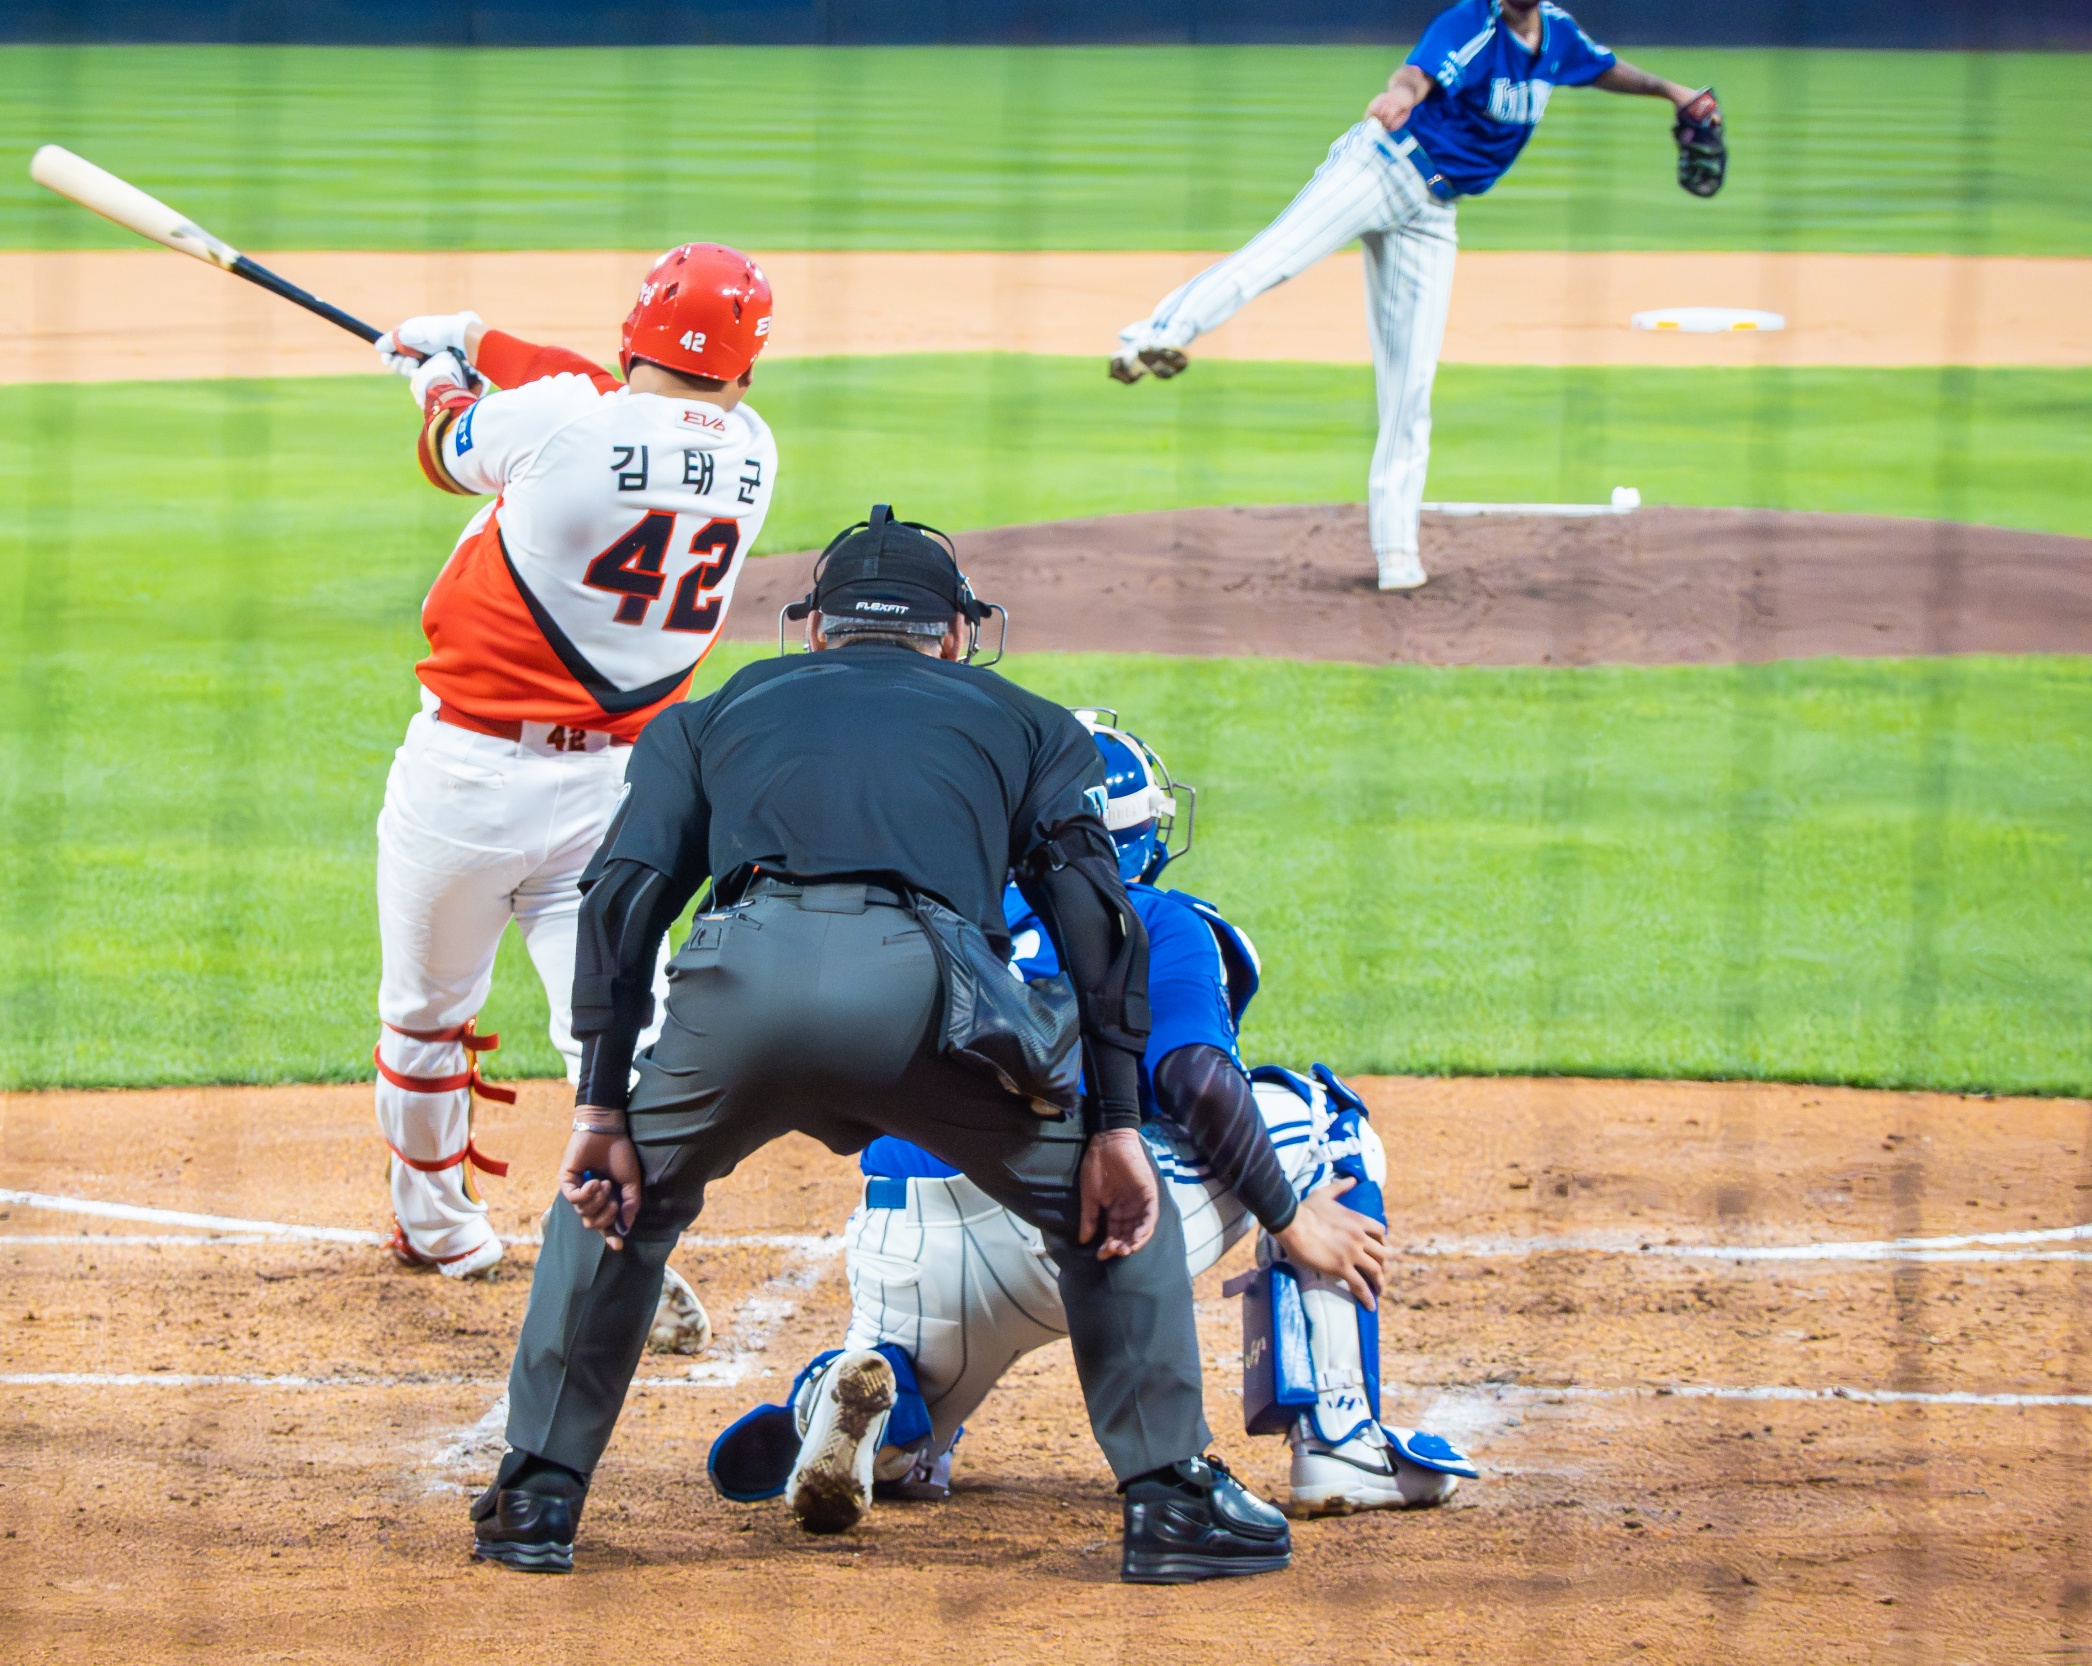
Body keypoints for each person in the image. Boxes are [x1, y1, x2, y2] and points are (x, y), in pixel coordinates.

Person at [473, 508, 1292, 1585]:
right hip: (928, 1006)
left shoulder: (706, 718)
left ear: (815, 628)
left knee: (615, 1206)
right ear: (954, 634)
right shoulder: (1032, 723)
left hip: (737, 993)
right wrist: (1114, 1130)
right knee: (1112, 1214)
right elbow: (1100, 924)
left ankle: (535, 1497)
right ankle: (1170, 1500)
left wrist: (598, 1108)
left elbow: (620, 900)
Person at [706, 716, 1479, 1526]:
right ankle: (1341, 1442)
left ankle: (856, 1406)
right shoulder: (1155, 917)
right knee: (1317, 1119)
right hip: (1064, 1230)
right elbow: (1198, 1082)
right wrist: (1290, 1218)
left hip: (899, 1241)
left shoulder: (932, 913)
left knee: (908, 1432)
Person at [366, 245, 778, 1282]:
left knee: (426, 1017)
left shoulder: (558, 420)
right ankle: (636, 1246)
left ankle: (441, 1231)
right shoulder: (753, 450)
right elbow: (609, 400)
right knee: (617, 1027)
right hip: (617, 796)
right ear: (747, 364)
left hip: (466, 778)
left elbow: (446, 446)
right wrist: (477, 335)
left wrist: (439, 374)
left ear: (633, 332)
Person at [1108, 0, 1722, 592]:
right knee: (1276, 257)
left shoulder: (1557, 34)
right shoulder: (1472, 23)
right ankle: (1152, 337)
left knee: (1411, 383)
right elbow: (1416, 74)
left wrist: (1673, 91)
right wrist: (1400, 95)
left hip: (1432, 214)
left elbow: (1604, 67)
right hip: (1379, 167)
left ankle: (1396, 553)